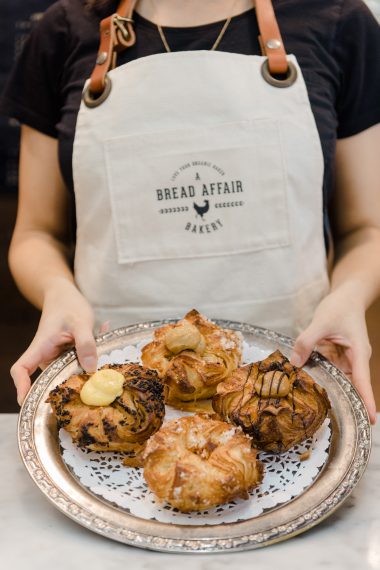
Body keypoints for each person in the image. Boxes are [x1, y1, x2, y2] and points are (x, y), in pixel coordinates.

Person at [1, 0, 379, 424]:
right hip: (112, 401)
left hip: (288, 395)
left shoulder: (337, 19)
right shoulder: (66, 31)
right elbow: (36, 234)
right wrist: (57, 293)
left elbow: (367, 229)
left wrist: (349, 298)